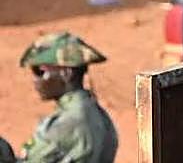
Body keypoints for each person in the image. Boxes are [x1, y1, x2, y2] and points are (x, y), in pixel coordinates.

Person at [0, 33, 117, 163]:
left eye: (40, 72)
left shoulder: (69, 122)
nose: (35, 80)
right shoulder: (97, 113)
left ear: (66, 74)